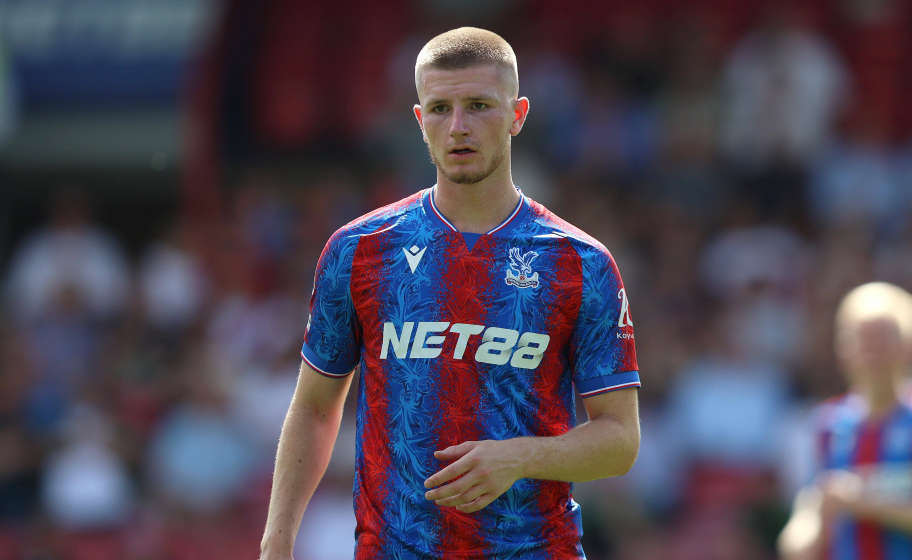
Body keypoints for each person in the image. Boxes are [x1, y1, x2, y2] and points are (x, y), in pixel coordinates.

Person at [259, 27, 640, 559]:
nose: (458, 126)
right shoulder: (359, 250)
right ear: (419, 121)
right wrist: (276, 543)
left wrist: (520, 458)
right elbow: (316, 409)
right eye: (440, 109)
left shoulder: (580, 262)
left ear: (517, 115)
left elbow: (620, 439)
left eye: (479, 106)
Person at [778, 282, 912, 560]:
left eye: (882, 338)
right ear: (842, 348)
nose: (871, 351)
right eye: (861, 339)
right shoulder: (827, 425)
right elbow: (799, 538)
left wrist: (864, 503)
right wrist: (816, 521)